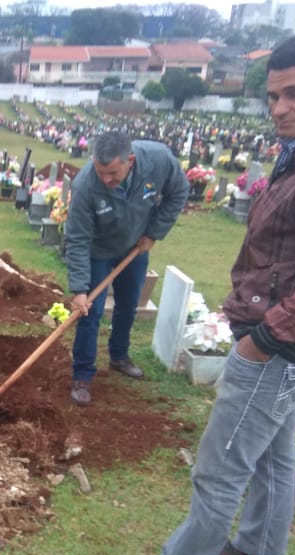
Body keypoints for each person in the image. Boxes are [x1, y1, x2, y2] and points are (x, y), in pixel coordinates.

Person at [97, 32, 295, 555]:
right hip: (281, 335)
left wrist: (261, 341)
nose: (279, 107)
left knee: (222, 460)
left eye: (294, 93)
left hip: (283, 342)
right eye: (272, 96)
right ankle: (257, 548)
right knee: (274, 451)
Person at [61, 131, 189, 406]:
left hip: (134, 247)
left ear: (130, 160)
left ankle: (119, 356)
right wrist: (80, 289)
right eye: (100, 171)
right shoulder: (85, 186)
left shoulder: (159, 161)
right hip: (98, 251)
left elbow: (179, 192)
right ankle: (82, 375)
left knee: (128, 305)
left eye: (112, 173)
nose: (105, 180)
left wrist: (153, 233)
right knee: (89, 313)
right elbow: (78, 239)